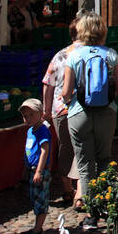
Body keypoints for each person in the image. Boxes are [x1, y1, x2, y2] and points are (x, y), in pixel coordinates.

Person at [62, 12, 118, 232]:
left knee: (85, 165)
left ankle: (91, 216)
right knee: (104, 160)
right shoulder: (111, 55)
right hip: (107, 113)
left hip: (79, 114)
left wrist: (67, 101)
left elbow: (66, 91)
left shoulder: (73, 55)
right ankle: (108, 209)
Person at [42, 22, 81, 204]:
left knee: (66, 148)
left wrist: (47, 109)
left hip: (60, 109)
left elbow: (48, 83)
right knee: (83, 148)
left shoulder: (60, 55)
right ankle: (81, 189)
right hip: (82, 107)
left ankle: (67, 189)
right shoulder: (89, 52)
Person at [19, 98, 51, 234]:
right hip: (31, 169)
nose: (28, 118)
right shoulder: (30, 131)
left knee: (40, 199)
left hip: (40, 171)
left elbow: (45, 150)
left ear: (40, 113)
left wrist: (39, 171)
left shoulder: (42, 130)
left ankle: (38, 229)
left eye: (31, 114)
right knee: (34, 197)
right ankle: (37, 226)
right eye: (25, 116)